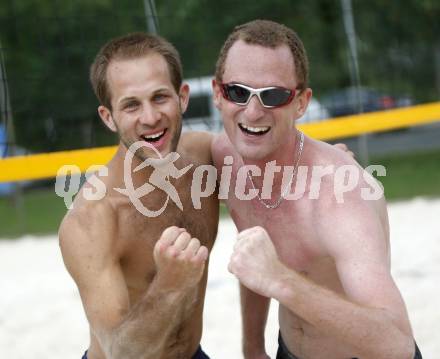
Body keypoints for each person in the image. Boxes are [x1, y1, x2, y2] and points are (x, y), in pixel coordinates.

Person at [211, 20, 422, 359]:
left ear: (301, 103)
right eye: (238, 92)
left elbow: (397, 344)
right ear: (218, 93)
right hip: (288, 349)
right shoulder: (224, 156)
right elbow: (256, 254)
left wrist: (280, 280)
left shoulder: (340, 196)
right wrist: (252, 347)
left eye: (273, 96)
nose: (252, 111)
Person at [58, 33, 218, 359]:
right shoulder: (92, 220)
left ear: (182, 97)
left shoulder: (205, 159)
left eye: (160, 97)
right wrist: (170, 284)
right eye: (131, 105)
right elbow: (120, 352)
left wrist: (325, 158)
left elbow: (273, 157)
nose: (150, 117)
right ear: (108, 117)